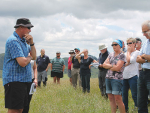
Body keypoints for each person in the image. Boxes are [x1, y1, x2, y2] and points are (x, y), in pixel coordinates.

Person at [2, 18, 36, 113]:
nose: (30, 30)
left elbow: (34, 57)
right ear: (21, 27)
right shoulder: (13, 41)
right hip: (14, 81)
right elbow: (23, 62)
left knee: (22, 109)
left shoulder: (25, 42)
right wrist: (29, 57)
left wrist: (32, 43)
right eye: (28, 28)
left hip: (25, 80)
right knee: (15, 110)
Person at [103, 39, 125, 113]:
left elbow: (118, 68)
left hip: (117, 79)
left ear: (120, 46)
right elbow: (104, 64)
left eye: (116, 44)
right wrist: (112, 66)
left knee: (118, 99)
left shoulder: (122, 55)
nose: (114, 46)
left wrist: (108, 65)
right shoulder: (111, 54)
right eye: (112, 45)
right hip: (108, 78)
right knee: (111, 98)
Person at [122, 38, 139, 112]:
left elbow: (131, 60)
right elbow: (122, 64)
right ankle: (125, 109)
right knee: (124, 95)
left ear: (134, 44)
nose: (129, 45)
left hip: (133, 76)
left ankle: (137, 108)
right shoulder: (124, 54)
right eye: (127, 43)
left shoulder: (137, 52)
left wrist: (128, 52)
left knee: (134, 94)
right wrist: (127, 62)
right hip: (124, 76)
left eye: (130, 43)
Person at [136, 20, 150, 113]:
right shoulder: (145, 43)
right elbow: (138, 59)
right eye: (143, 32)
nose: (144, 34)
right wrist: (146, 59)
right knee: (141, 101)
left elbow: (142, 56)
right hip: (143, 73)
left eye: (146, 31)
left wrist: (144, 56)